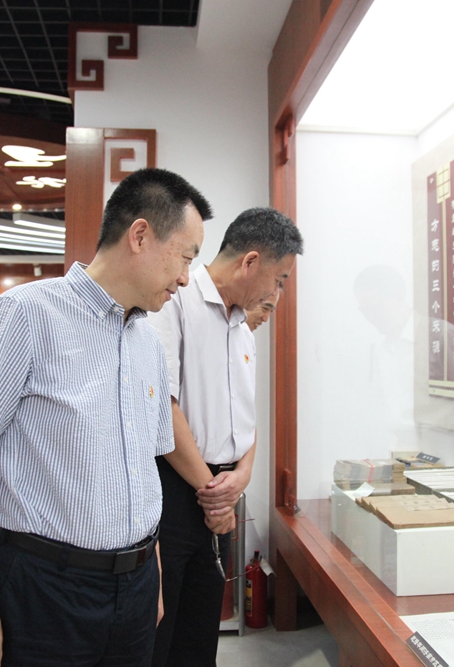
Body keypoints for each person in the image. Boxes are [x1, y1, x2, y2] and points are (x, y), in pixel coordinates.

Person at [0, 167, 212, 667]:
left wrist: (150, 574)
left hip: (136, 587)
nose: (185, 278)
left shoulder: (148, 343)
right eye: (186, 257)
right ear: (140, 235)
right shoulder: (26, 315)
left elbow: (143, 469)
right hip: (42, 588)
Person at [147, 207, 303, 667]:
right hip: (175, 488)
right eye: (278, 279)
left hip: (221, 490)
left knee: (201, 631)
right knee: (161, 632)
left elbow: (244, 418)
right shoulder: (174, 302)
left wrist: (243, 475)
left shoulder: (243, 329)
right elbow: (162, 407)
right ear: (250, 262)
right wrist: (211, 493)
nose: (276, 292)